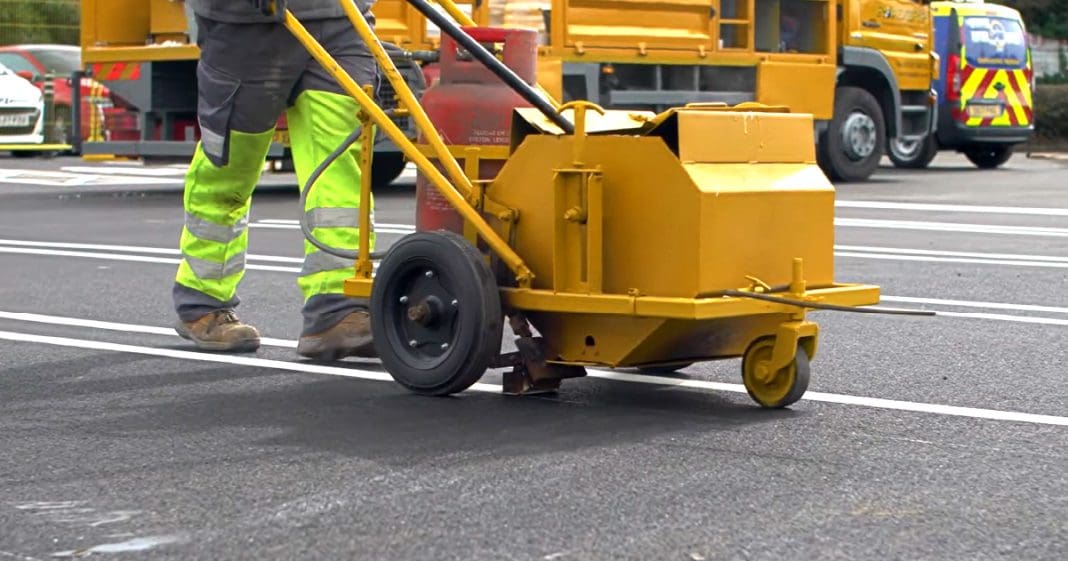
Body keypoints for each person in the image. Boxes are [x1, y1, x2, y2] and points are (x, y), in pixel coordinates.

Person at [173, 0, 379, 361]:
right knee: (230, 169)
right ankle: (202, 300)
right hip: (246, 21)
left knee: (341, 167)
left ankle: (338, 305)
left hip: (341, 18)